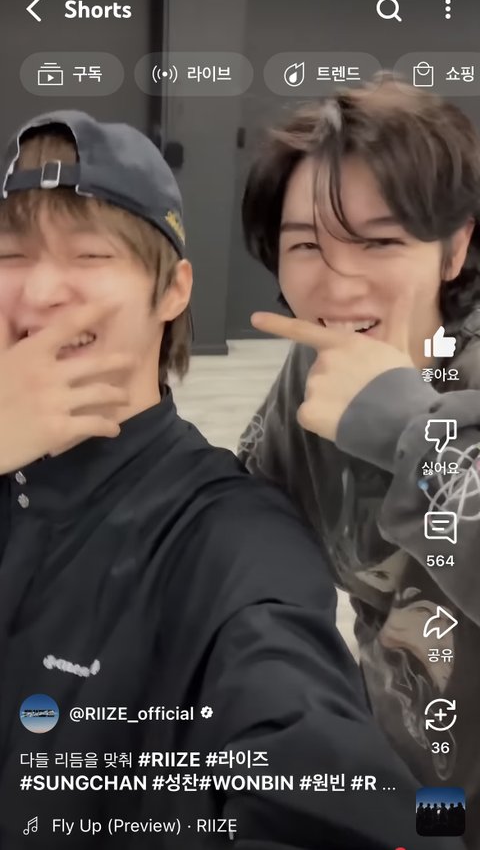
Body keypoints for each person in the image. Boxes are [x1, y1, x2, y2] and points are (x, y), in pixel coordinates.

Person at [0, 110, 454, 850]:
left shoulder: (227, 541)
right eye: (10, 254)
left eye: (90, 254)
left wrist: (407, 430)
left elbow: (304, 755)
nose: (41, 291)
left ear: (173, 290)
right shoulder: (302, 396)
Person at [238, 72, 480, 848]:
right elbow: (252, 517)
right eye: (306, 244)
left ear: (455, 246)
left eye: (379, 241)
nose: (338, 283)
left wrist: (406, 429)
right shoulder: (319, 368)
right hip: (404, 782)